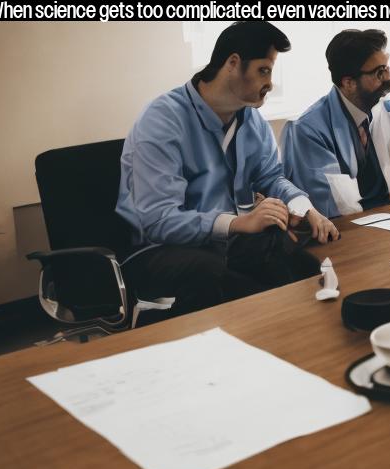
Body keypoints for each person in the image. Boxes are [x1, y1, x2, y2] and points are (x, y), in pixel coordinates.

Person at [116, 21, 336, 319]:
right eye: (264, 70)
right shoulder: (162, 120)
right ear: (233, 64)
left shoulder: (251, 119)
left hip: (224, 244)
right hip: (156, 250)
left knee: (305, 270)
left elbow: (271, 177)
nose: (270, 83)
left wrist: (304, 207)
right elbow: (158, 220)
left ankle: (290, 340)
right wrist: (237, 224)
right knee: (228, 283)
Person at [282, 29, 390, 218]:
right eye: (379, 73)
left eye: (387, 68)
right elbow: (330, 205)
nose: (389, 78)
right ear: (349, 82)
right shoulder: (308, 130)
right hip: (345, 232)